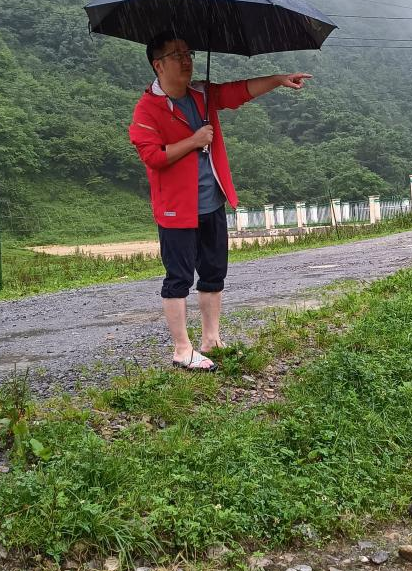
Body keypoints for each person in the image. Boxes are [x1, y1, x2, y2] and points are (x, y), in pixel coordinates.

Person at [129, 33, 311, 371]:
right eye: (176, 55)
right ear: (158, 65)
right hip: (176, 209)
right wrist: (194, 140)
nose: (186, 60)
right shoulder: (147, 109)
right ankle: (182, 349)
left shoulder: (202, 94)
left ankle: (211, 339)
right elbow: (153, 156)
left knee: (213, 273)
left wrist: (278, 79)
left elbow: (239, 91)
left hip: (211, 201)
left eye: (189, 52)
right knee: (179, 277)